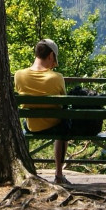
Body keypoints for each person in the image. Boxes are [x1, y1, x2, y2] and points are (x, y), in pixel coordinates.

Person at [14, 38, 71, 185]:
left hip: (32, 126)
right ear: (51, 56)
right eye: (55, 59)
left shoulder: (19, 75)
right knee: (65, 124)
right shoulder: (56, 78)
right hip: (55, 127)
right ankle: (58, 173)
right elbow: (64, 103)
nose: (54, 63)